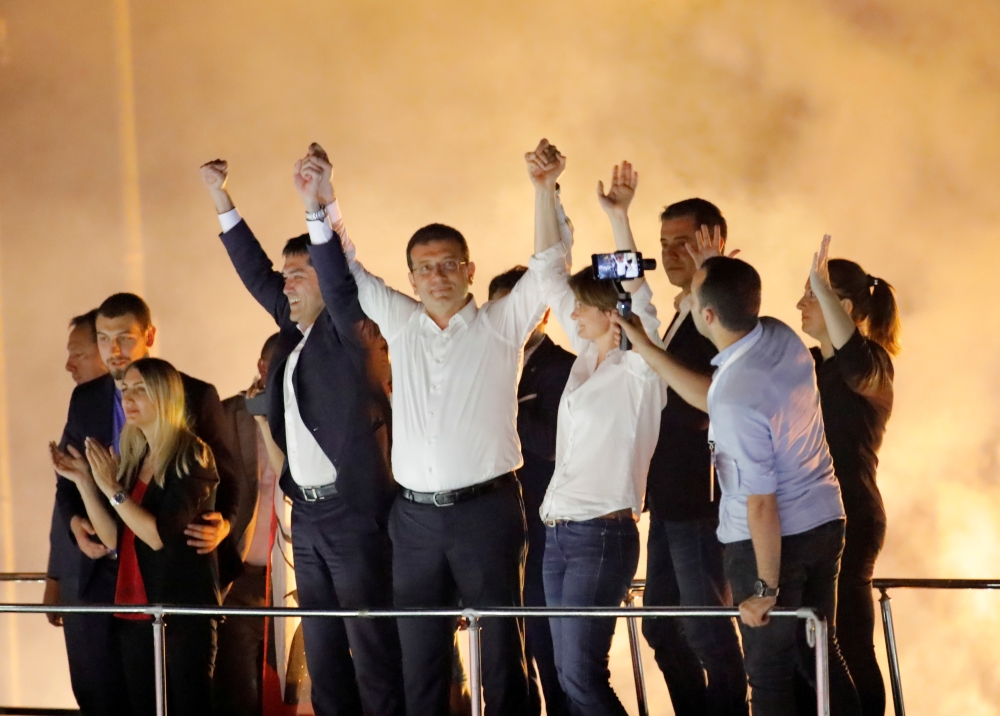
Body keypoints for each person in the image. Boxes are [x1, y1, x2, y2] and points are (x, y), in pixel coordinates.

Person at [296, 139, 567, 716]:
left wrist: (543, 190)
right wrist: (321, 205)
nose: (437, 276)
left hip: (487, 511)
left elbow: (547, 269)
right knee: (418, 655)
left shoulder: (500, 323)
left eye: (448, 265)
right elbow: (346, 271)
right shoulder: (399, 319)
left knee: (501, 654)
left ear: (469, 270)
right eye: (425, 268)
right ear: (412, 277)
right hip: (414, 517)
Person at [615, 245, 861, 716]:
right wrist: (646, 346)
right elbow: (715, 395)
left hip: (769, 543)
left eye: (692, 297)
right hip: (825, 520)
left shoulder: (738, 401)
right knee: (821, 654)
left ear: (707, 314)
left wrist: (764, 590)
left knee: (768, 673)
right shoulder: (780, 338)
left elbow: (761, 502)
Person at [200, 150, 404, 716]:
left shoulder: (351, 333)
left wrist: (318, 206)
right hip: (308, 516)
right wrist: (221, 198)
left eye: (299, 275)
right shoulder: (294, 332)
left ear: (326, 280)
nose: (285, 285)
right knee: (322, 653)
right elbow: (254, 273)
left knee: (373, 649)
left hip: (353, 512)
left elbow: (339, 282)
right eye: (286, 276)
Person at [51, 293, 243, 716]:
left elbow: (226, 482)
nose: (112, 351)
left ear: (148, 336)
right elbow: (113, 527)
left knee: (185, 699)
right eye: (103, 339)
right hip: (123, 592)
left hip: (175, 592)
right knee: (117, 693)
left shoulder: (192, 432)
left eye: (123, 338)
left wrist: (225, 525)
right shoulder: (117, 433)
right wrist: (85, 483)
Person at [535, 160, 664, 716]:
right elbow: (547, 275)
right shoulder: (588, 354)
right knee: (567, 677)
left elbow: (642, 297)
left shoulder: (638, 368)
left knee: (583, 676)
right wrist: (542, 191)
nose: (573, 311)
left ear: (614, 314)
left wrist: (619, 219)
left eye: (586, 305)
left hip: (601, 534)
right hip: (559, 533)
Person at [642, 199, 748, 716]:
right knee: (660, 626)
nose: (668, 254)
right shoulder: (683, 310)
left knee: (708, 632)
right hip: (667, 494)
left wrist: (710, 273)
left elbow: (712, 393)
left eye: (681, 243)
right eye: (662, 244)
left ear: (713, 241)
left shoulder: (720, 310)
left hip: (700, 496)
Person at [797, 236, 899, 716]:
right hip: (811, 516)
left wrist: (823, 283)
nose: (800, 302)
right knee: (806, 641)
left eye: (812, 292)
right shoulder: (811, 365)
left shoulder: (874, 364)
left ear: (844, 306)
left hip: (852, 515)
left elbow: (855, 362)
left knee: (850, 641)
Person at [488, 265, 574, 716]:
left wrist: (504, 409)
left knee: (550, 646)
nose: (509, 320)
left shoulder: (563, 368)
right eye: (500, 310)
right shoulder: (486, 364)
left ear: (542, 313)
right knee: (506, 651)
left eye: (518, 309)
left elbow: (562, 445)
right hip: (495, 524)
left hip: (547, 529)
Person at [214, 332, 281, 716]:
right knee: (237, 691)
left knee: (293, 687)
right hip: (238, 577)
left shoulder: (319, 415)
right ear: (261, 368)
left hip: (295, 581)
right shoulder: (225, 415)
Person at [44, 310, 109, 632]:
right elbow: (64, 491)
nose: (70, 366)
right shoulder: (82, 404)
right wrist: (55, 575)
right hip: (81, 575)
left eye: (79, 355)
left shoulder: (160, 400)